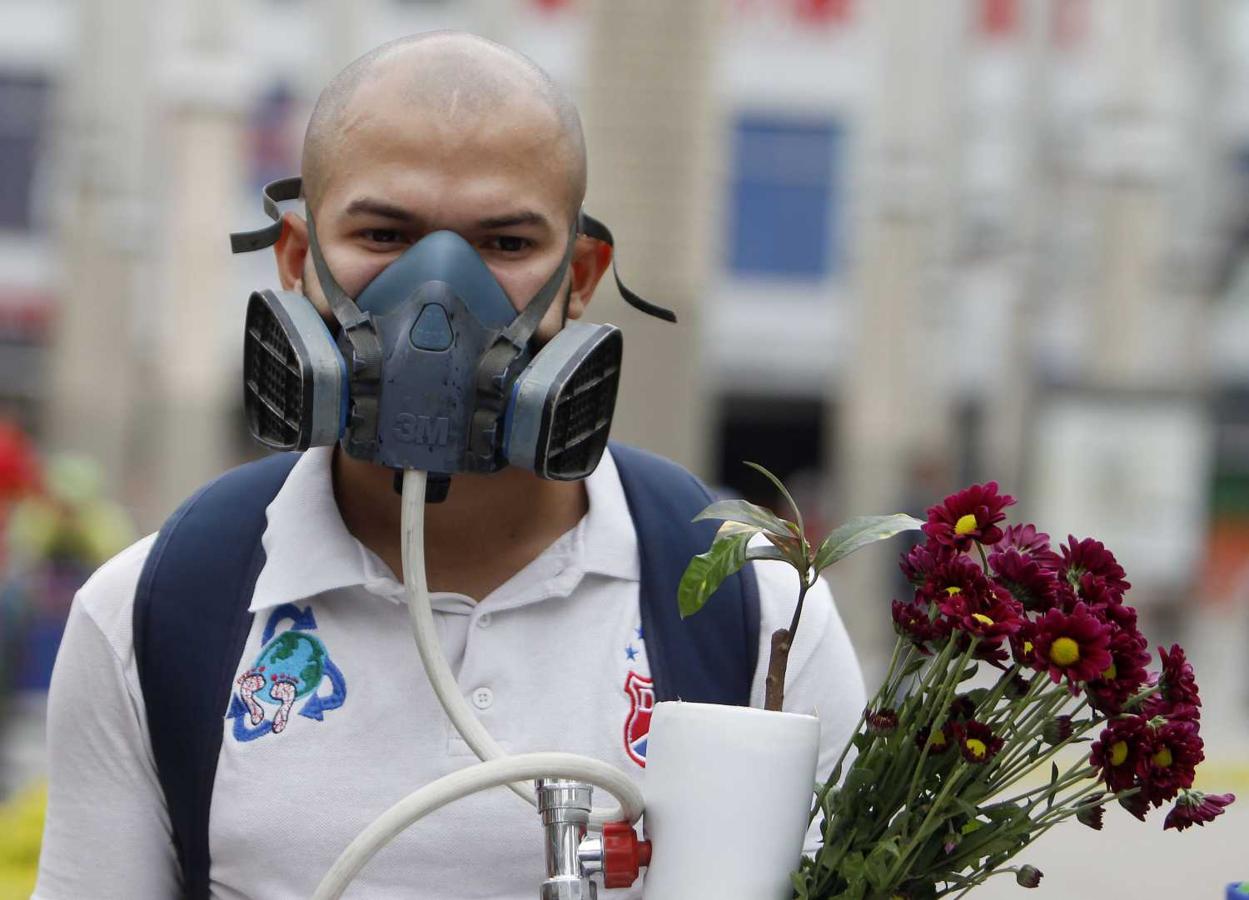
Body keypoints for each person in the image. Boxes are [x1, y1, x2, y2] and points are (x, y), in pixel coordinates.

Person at [33, 32, 866, 900]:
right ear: (296, 258)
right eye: (384, 233)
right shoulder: (154, 613)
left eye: (504, 244)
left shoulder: (752, 609)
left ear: (579, 277)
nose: (437, 293)